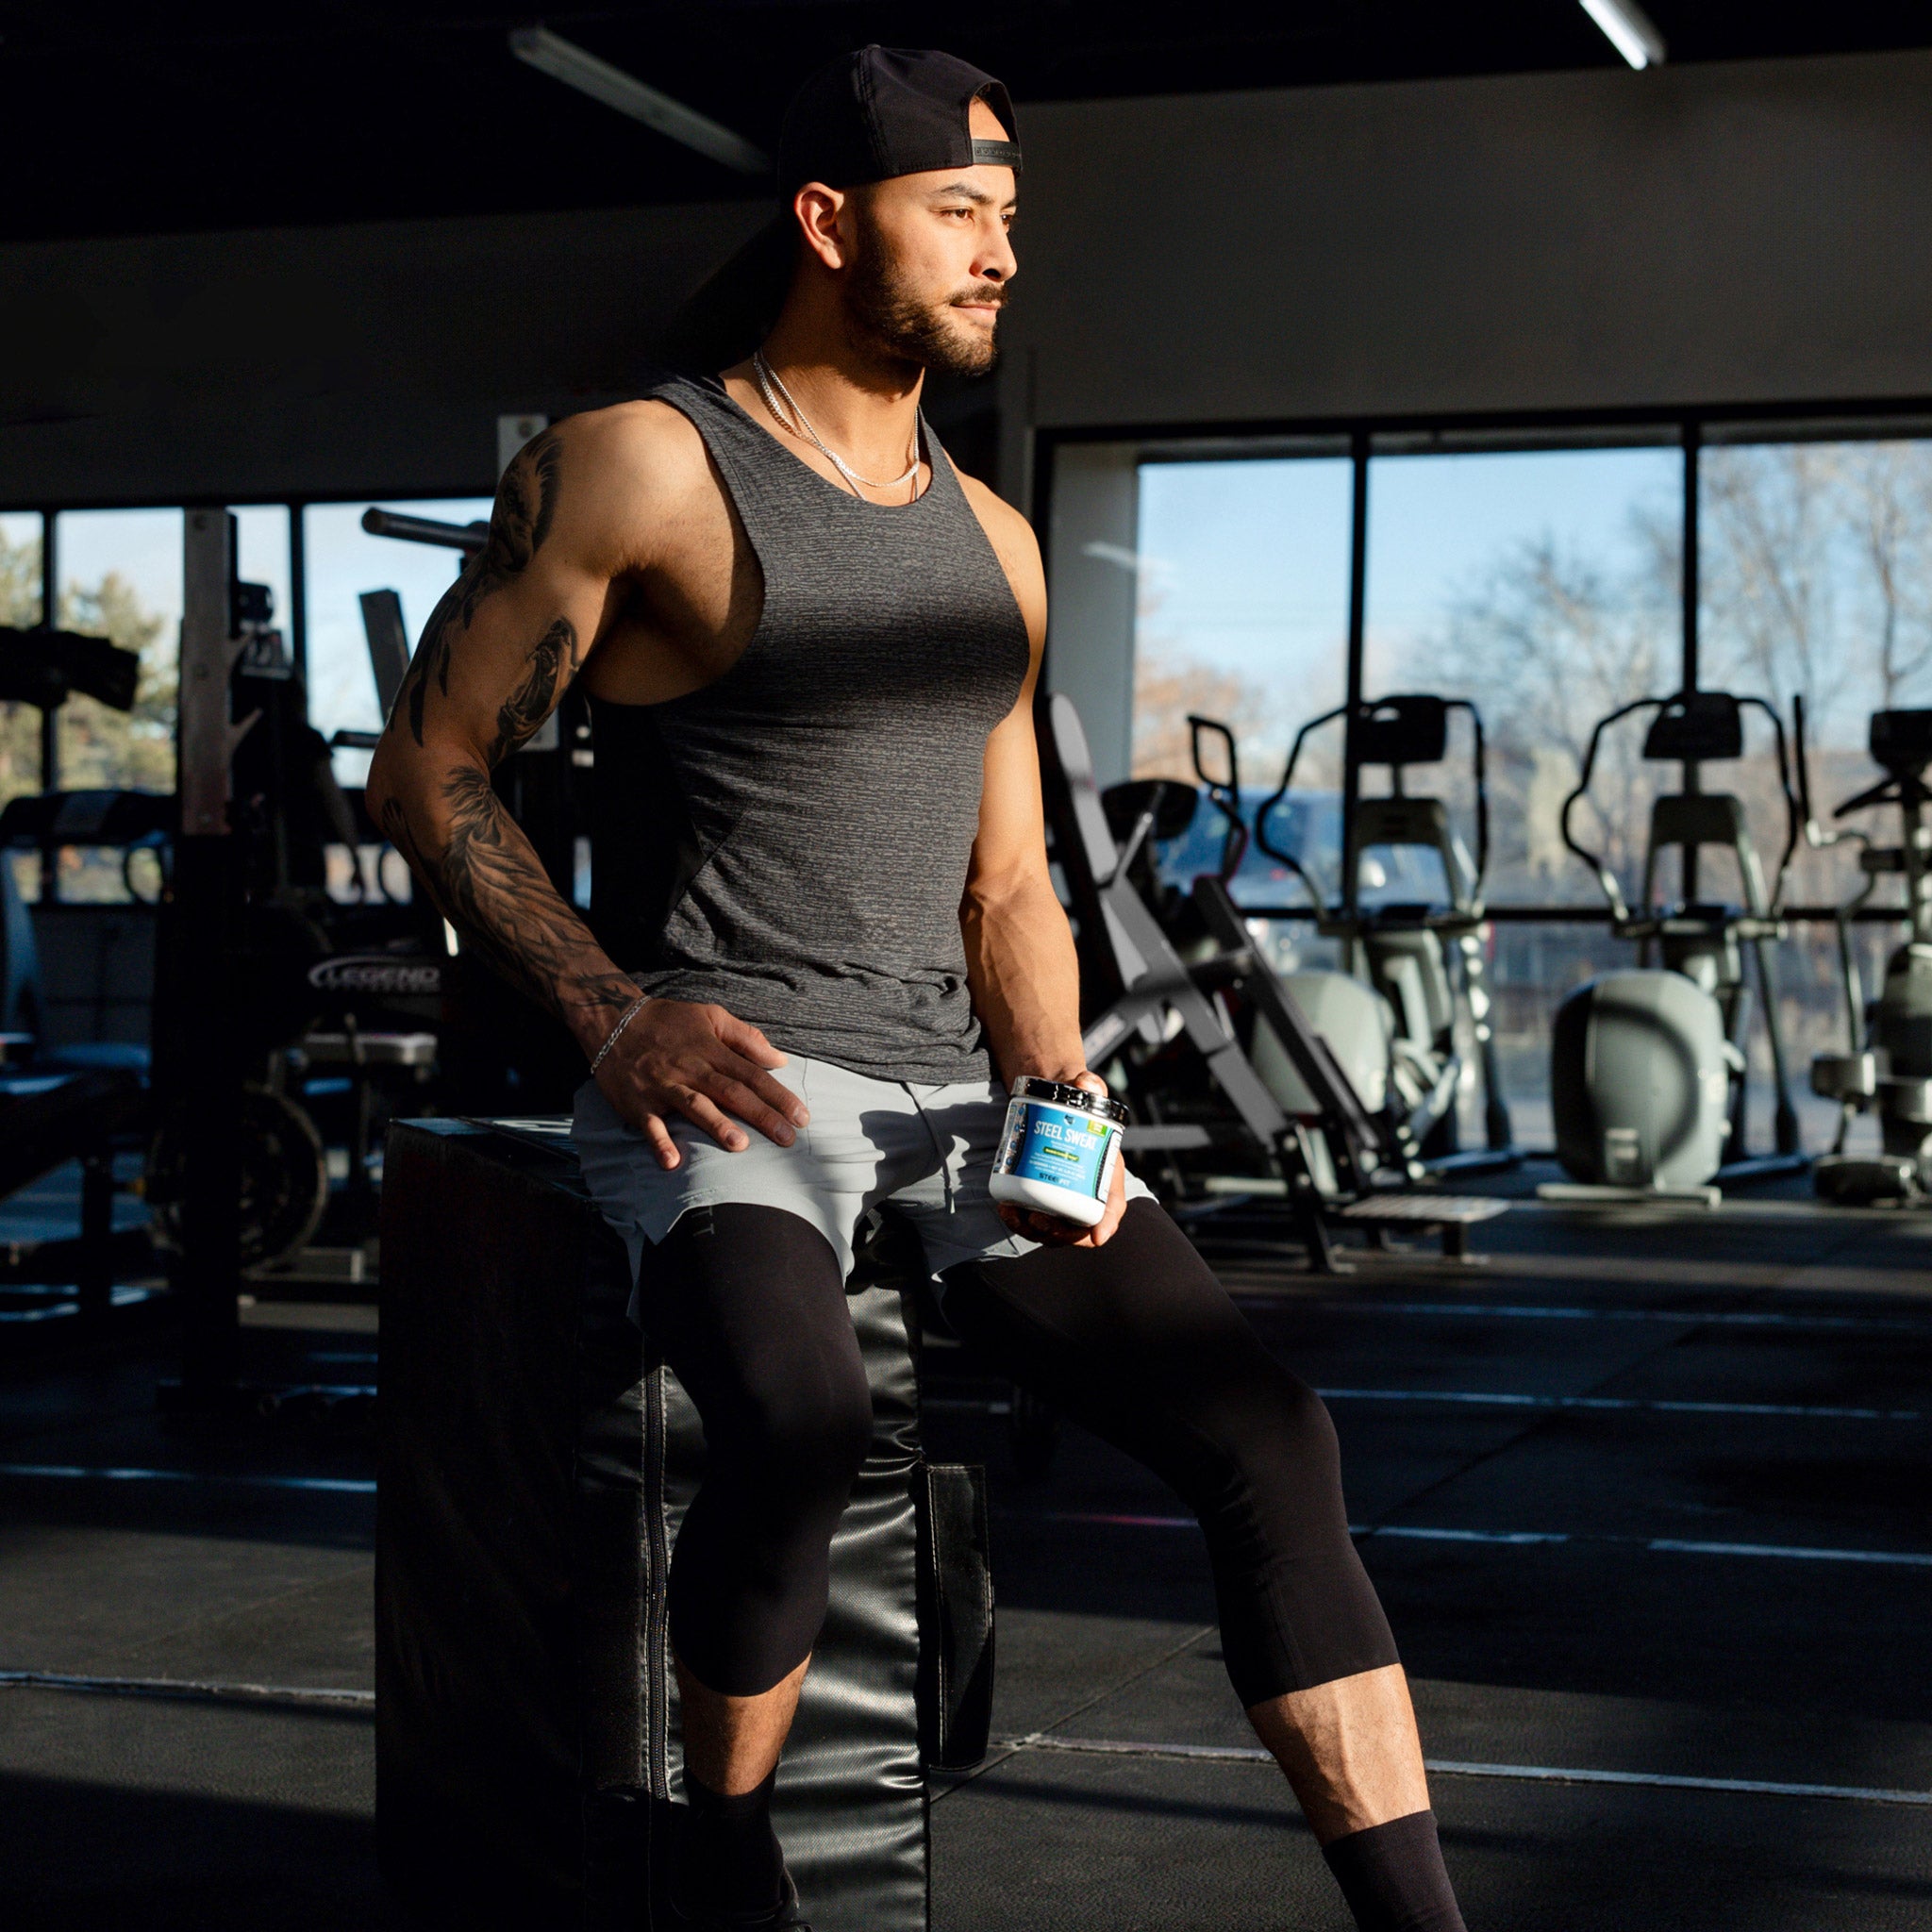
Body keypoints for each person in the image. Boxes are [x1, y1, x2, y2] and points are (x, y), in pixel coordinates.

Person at [367, 44, 1467, 1932]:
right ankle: (722, 1842)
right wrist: (613, 1012)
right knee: (797, 1419)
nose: (998, 255)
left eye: (1009, 220)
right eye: (956, 213)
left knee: (1274, 1439)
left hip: (954, 1089)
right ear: (825, 221)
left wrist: (1053, 1074)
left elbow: (1010, 873)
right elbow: (430, 768)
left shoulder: (1001, 545)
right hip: (730, 1080)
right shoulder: (646, 461)